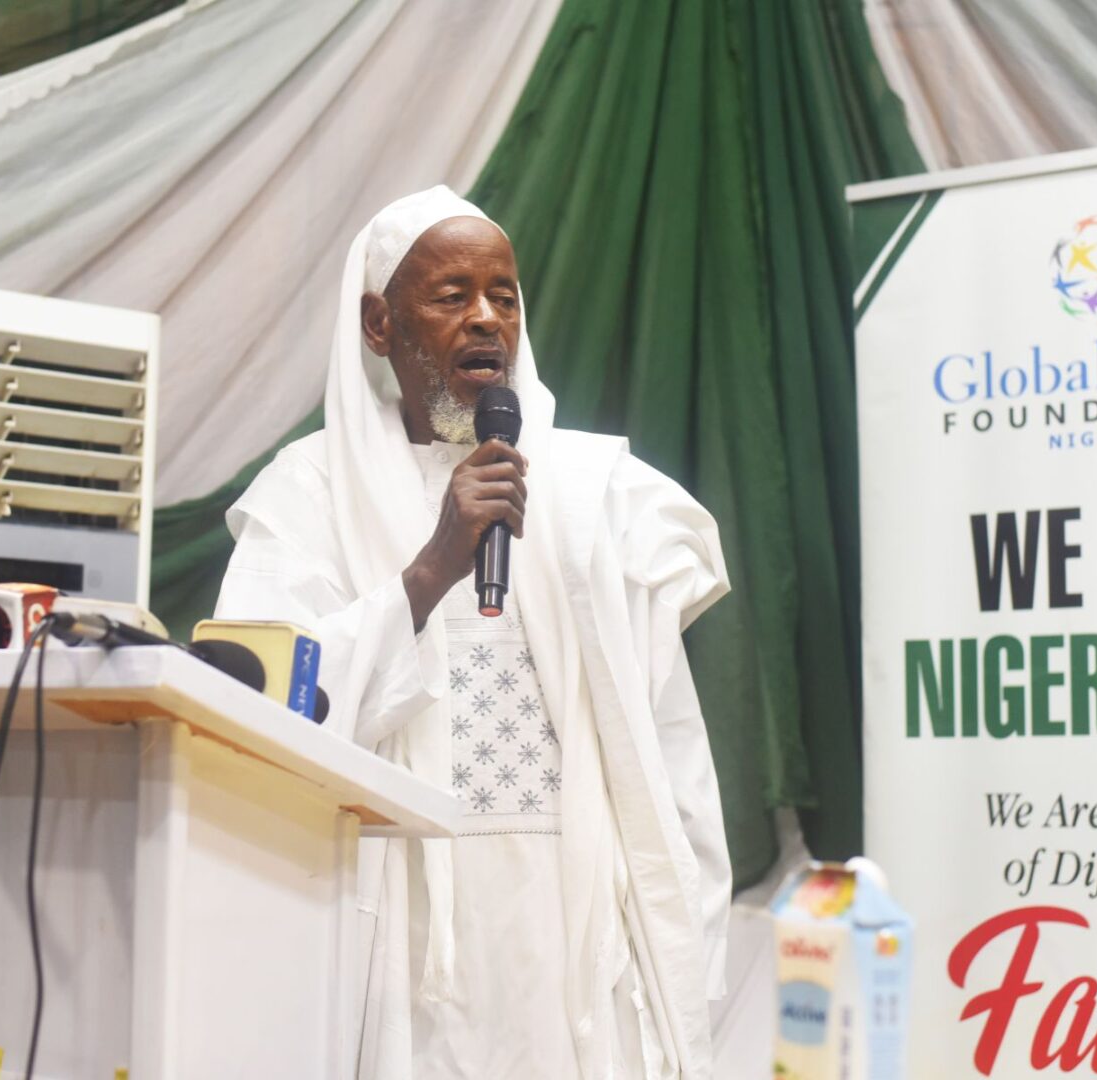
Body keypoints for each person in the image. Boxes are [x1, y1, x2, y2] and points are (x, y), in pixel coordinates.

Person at [216, 186, 731, 1079]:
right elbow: (260, 718)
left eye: (504, 294)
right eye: (451, 297)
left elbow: (673, 762)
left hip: (576, 959)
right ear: (380, 325)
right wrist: (428, 573)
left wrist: (688, 954)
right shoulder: (308, 498)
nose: (487, 319)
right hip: (397, 966)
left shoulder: (598, 494)